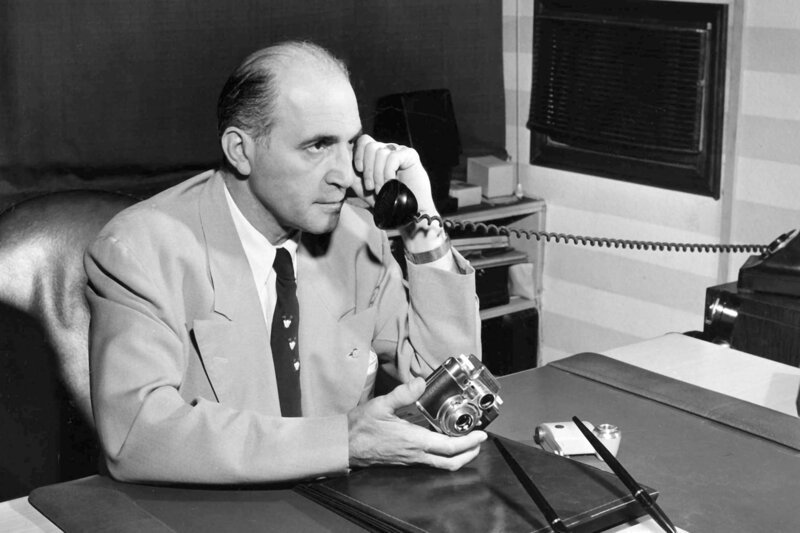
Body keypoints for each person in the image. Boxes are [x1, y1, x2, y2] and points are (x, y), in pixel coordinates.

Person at [85, 40, 485, 485]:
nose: (345, 175)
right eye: (317, 146)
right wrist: (344, 442)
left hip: (334, 499)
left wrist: (422, 223)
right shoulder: (141, 249)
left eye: (350, 144)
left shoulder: (356, 235)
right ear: (240, 150)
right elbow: (138, 434)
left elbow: (449, 390)